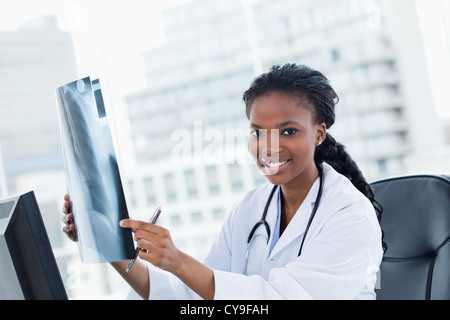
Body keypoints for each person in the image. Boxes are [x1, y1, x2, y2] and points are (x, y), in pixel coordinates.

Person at [62, 63, 384, 300]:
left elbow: (276, 298)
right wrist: (106, 242)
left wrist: (177, 260)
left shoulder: (350, 215)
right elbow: (191, 296)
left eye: (288, 131)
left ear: (319, 133)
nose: (269, 146)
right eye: (258, 132)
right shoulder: (251, 208)